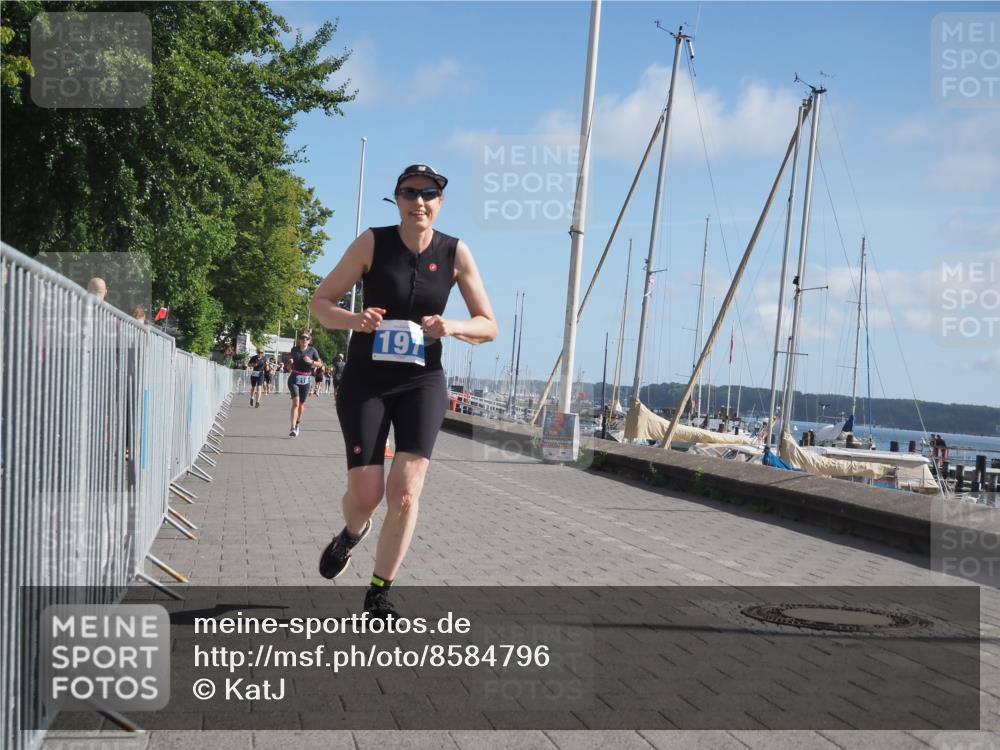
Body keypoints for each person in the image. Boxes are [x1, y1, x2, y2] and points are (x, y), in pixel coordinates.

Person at [308, 163, 497, 620]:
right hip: (367, 381)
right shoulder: (373, 242)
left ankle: (379, 593)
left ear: (440, 202)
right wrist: (357, 321)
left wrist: (449, 326)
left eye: (428, 194)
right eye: (409, 193)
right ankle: (351, 534)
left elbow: (488, 326)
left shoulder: (456, 252)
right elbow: (320, 303)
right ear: (397, 200)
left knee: (407, 491)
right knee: (367, 495)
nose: (419, 202)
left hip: (422, 381)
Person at [287, 332, 323, 436]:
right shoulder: (294, 350)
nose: (304, 340)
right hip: (294, 378)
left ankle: (297, 424)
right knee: (296, 402)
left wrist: (311, 361)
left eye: (307, 338)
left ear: (309, 340)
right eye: (302, 338)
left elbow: (320, 364)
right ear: (299, 340)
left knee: (301, 405)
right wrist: (289, 363)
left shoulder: (312, 350)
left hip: (306, 380)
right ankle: (292, 427)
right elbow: (290, 363)